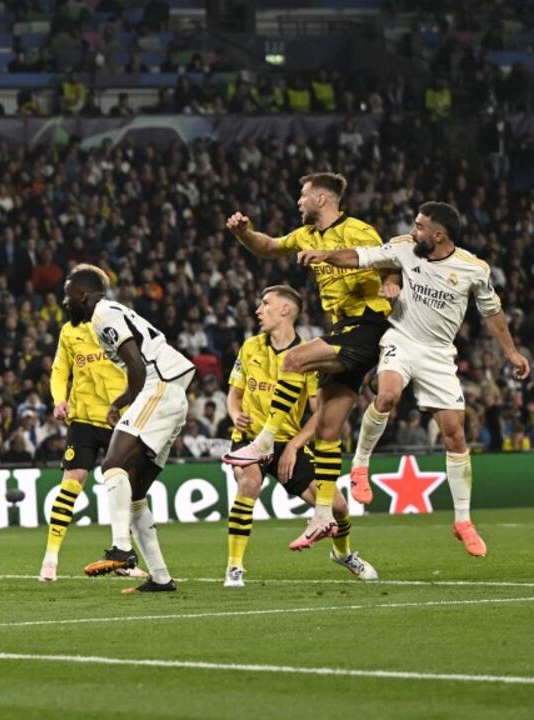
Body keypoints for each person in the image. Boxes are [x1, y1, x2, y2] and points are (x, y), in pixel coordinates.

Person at [296, 202, 531, 556]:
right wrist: (323, 255)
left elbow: (492, 312)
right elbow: (360, 256)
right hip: (401, 339)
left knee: (455, 435)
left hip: (438, 353)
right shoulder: (404, 247)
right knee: (387, 394)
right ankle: (360, 465)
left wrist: (511, 352)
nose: (413, 229)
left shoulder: (473, 269)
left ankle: (463, 521)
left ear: (439, 235)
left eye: (420, 226)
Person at [224, 172, 396, 550]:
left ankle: (265, 440)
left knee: (295, 359)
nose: (298, 202)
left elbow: (388, 262)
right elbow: (268, 247)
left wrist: (391, 282)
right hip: (343, 328)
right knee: (328, 430)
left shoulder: (358, 230)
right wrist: (243, 233)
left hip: (369, 323)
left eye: (303, 196)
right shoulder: (305, 236)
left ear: (322, 198)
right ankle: (322, 515)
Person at [223, 287, 378, 588]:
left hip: (288, 443)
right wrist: (234, 415)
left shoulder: (310, 356)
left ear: (285, 310)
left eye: (265, 304)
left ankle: (343, 553)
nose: (258, 310)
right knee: (249, 483)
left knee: (338, 508)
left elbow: (320, 414)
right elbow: (234, 395)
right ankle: (234, 567)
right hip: (250, 438)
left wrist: (294, 445)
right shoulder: (250, 347)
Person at [63, 266, 194, 593]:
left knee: (111, 466)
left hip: (159, 386)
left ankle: (121, 547)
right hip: (170, 391)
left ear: (82, 295)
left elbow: (136, 365)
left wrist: (128, 401)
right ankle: (161, 578)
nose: (65, 304)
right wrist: (123, 401)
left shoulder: (101, 315)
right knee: (135, 493)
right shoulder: (113, 311)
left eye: (68, 298)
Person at [40, 270, 145, 582]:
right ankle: (50, 558)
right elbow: (59, 370)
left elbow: (139, 365)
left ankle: (124, 558)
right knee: (72, 481)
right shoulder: (68, 333)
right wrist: (59, 400)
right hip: (84, 417)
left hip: (119, 417)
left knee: (128, 486)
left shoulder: (116, 321)